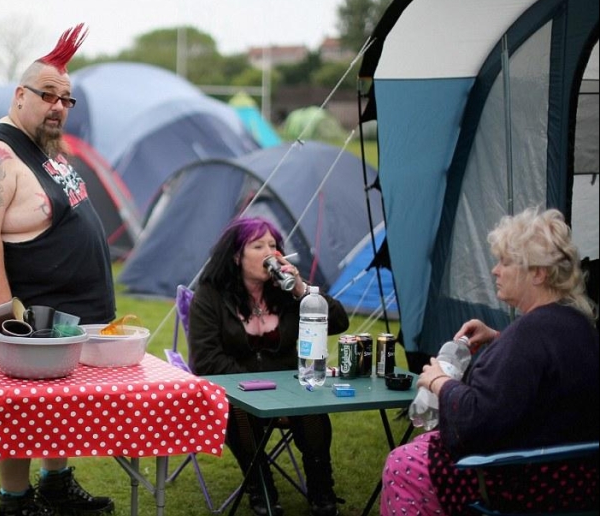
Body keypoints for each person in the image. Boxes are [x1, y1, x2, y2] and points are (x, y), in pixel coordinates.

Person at [0, 23, 116, 516]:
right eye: (48, 95)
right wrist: (7, 316)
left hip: (66, 310)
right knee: (20, 408)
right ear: (19, 94)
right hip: (28, 313)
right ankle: (15, 500)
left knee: (54, 407)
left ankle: (54, 484)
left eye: (66, 100)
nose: (58, 107)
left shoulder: (44, 146)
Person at [381, 207, 599, 515]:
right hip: (574, 478)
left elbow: (477, 420)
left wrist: (440, 381)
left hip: (524, 481)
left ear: (538, 273)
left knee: (403, 465)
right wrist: (500, 337)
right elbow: (547, 367)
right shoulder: (577, 324)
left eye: (505, 262)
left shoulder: (529, 335)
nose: (495, 270)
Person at [188, 217, 350, 516]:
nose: (269, 253)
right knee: (239, 412)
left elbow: (339, 322)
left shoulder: (286, 293)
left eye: (273, 246)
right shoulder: (211, 295)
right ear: (237, 255)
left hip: (291, 390)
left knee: (310, 404)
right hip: (239, 392)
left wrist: (301, 289)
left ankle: (322, 490)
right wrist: (259, 391)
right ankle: (261, 487)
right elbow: (206, 360)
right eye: (258, 245)